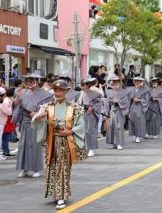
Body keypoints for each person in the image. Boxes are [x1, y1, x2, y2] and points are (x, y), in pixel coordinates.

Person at [33, 80, 86, 210]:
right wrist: (40, 118)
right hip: (52, 142)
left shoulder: (74, 107)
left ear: (66, 91)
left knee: (63, 169)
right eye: (56, 90)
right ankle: (56, 193)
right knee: (52, 167)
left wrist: (71, 131)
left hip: (67, 142)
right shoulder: (47, 106)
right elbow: (35, 121)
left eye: (61, 90)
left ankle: (61, 196)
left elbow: (81, 125)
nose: (58, 93)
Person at [12, 73, 53, 178]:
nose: (29, 83)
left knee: (34, 146)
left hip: (37, 123)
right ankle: (24, 169)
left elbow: (49, 109)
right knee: (23, 146)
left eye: (31, 80)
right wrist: (17, 98)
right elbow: (17, 106)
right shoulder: (24, 93)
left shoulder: (46, 94)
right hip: (25, 123)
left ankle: (36, 168)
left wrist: (38, 114)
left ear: (37, 81)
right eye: (28, 81)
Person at [77, 76, 102, 157]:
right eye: (82, 84)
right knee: (83, 131)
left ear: (88, 85)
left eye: (84, 84)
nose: (82, 86)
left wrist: (93, 108)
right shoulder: (81, 93)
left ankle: (91, 149)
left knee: (90, 131)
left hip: (91, 114)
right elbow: (78, 103)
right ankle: (85, 148)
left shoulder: (96, 94)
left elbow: (98, 104)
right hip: (83, 113)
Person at [104, 75, 131, 150]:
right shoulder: (110, 92)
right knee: (111, 126)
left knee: (119, 126)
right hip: (112, 110)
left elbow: (126, 102)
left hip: (120, 110)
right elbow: (107, 102)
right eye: (114, 83)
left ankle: (119, 143)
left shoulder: (123, 92)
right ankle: (113, 143)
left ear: (120, 84)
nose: (116, 85)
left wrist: (118, 101)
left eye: (117, 83)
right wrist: (106, 112)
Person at [128, 77, 150, 143]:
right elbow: (129, 98)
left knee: (138, 121)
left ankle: (138, 136)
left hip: (140, 106)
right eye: (135, 82)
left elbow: (147, 99)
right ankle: (134, 135)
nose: (136, 83)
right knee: (132, 120)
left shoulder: (145, 90)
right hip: (133, 106)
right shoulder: (132, 89)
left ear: (141, 82)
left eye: (138, 82)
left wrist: (139, 100)